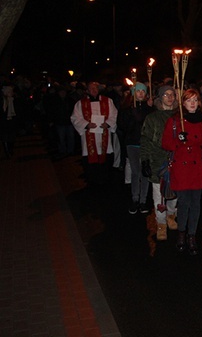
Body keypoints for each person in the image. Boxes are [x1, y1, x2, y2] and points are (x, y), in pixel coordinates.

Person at [162, 88, 202, 255]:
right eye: (189, 100)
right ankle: (181, 233)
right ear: (183, 103)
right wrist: (178, 140)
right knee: (184, 203)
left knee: (196, 204)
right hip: (182, 168)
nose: (193, 103)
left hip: (198, 168)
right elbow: (165, 143)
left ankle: (192, 235)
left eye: (195, 100)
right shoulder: (175, 121)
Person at [140, 85, 179, 240]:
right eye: (166, 95)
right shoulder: (152, 118)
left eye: (172, 95)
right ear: (160, 98)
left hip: (175, 161)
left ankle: (171, 216)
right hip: (158, 161)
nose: (169, 97)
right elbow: (146, 140)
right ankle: (161, 223)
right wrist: (145, 160)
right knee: (159, 196)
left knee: (174, 193)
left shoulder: (179, 116)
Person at [70, 81, 118, 185]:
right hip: (89, 135)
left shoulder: (108, 101)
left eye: (95, 88)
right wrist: (86, 124)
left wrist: (108, 124)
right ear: (87, 91)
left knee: (105, 157)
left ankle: (105, 180)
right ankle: (92, 181)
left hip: (104, 133)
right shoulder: (80, 104)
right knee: (91, 159)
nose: (94, 90)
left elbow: (114, 115)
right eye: (91, 89)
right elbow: (75, 118)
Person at [117, 82, 154, 214]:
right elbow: (121, 125)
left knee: (145, 172)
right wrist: (131, 115)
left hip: (145, 144)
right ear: (133, 93)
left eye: (143, 91)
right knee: (135, 172)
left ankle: (143, 200)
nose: (140, 93)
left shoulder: (149, 109)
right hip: (132, 143)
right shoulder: (127, 109)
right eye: (138, 91)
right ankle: (135, 198)